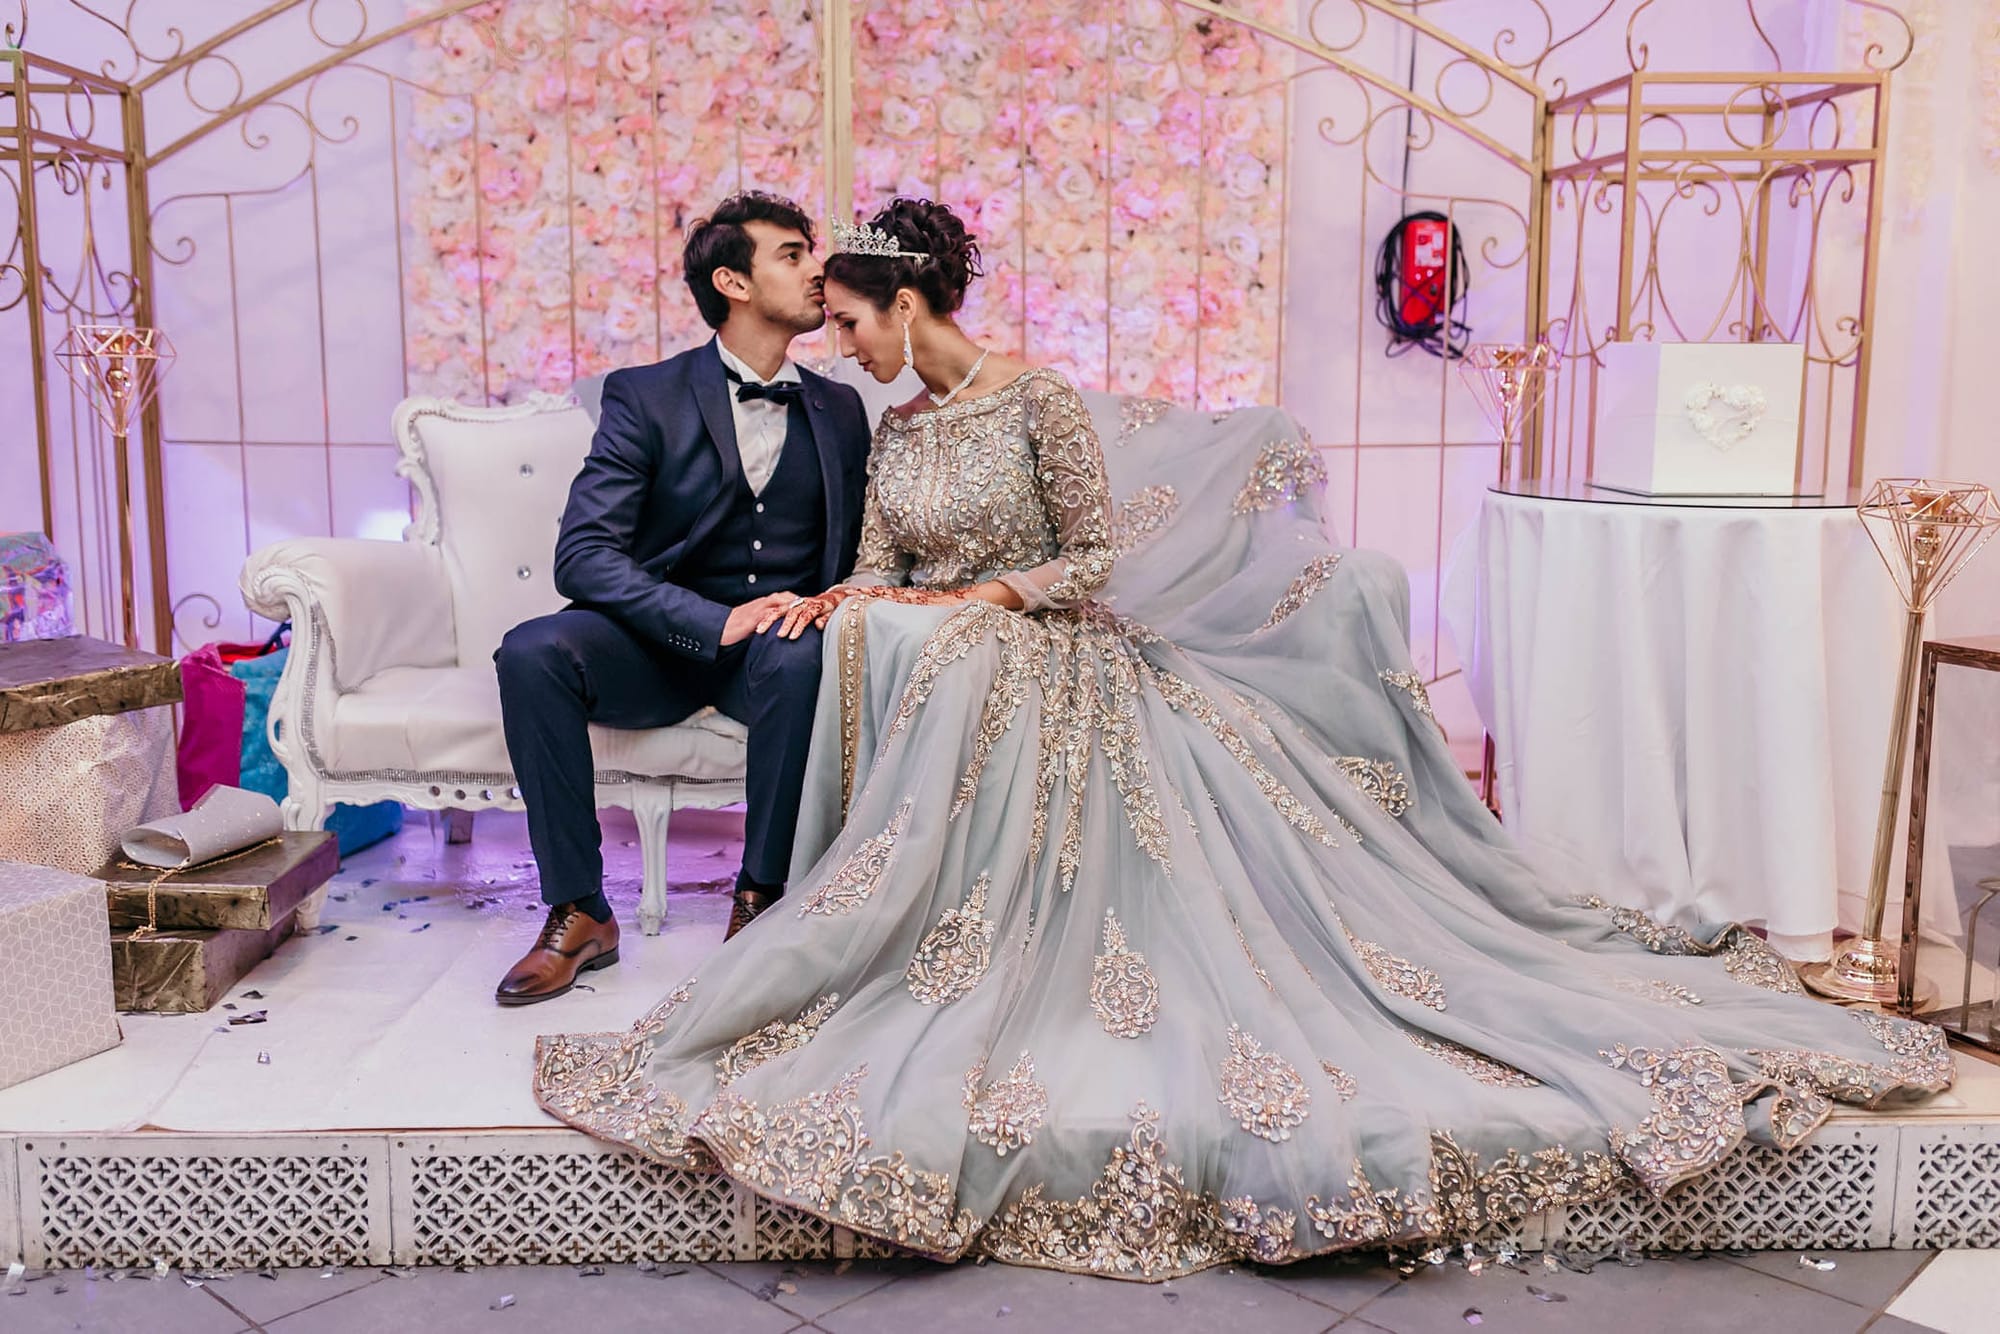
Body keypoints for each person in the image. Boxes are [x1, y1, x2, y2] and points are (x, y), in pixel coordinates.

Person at [533, 198, 1951, 1275]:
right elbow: (892, 567)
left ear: (906, 303)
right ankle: (868, 917)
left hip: (1060, 649)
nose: (842, 346)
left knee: (943, 641)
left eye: (852, 320)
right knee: (882, 630)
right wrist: (871, 595)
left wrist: (985, 594)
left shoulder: (1041, 405)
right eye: (828, 323)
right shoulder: (891, 437)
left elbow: (1088, 552)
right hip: (951, 648)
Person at [491, 192, 872, 1006]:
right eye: (794, 254)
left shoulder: (841, 409)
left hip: (779, 654)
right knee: (531, 652)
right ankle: (580, 912)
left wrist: (835, 600)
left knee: (804, 649)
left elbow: (863, 550)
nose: (819, 270)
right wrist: (712, 619)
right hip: (659, 646)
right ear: (733, 282)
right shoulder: (646, 394)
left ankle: (761, 900)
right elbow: (583, 556)